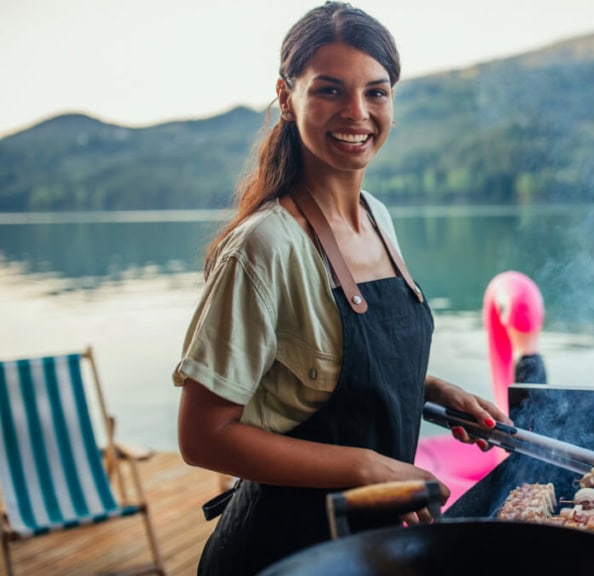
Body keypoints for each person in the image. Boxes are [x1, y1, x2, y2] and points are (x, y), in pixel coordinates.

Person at [173, 3, 508, 573]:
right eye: (329, 90)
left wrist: (430, 391)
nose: (357, 112)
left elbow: (327, 372)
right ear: (286, 97)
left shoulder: (377, 216)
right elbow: (202, 437)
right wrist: (364, 466)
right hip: (284, 551)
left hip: (371, 545)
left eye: (376, 92)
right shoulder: (265, 246)